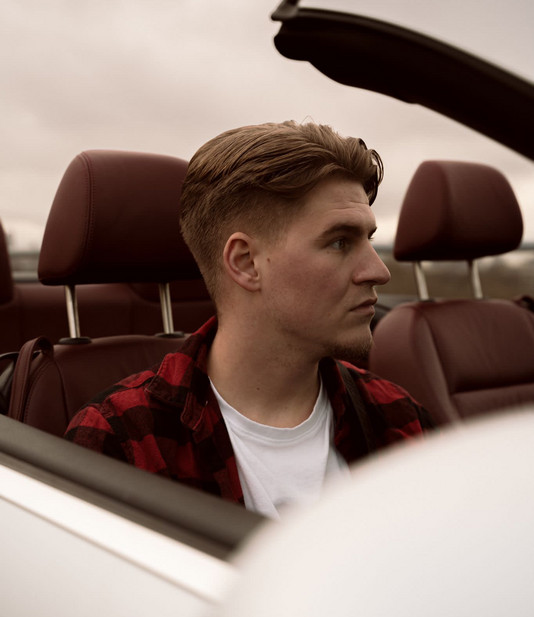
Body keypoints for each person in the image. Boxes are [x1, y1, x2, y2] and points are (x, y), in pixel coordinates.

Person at [65, 121, 434, 518]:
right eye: (340, 242)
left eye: (369, 239)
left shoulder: (398, 417)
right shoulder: (122, 442)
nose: (378, 271)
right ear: (245, 263)